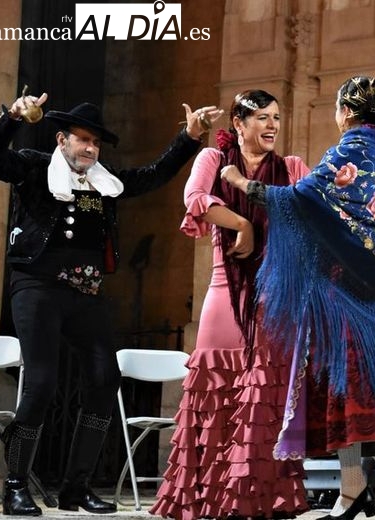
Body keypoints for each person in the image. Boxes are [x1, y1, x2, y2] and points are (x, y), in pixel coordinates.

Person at [222, 75, 375, 520]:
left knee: (349, 390)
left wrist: (242, 184)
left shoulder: (350, 149)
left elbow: (302, 200)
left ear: (346, 112)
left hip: (354, 298)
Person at [0, 91, 220, 516]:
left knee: (104, 380)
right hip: (36, 287)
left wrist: (189, 137)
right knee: (42, 384)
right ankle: (15, 486)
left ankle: (76, 487)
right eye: (81, 139)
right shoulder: (35, 168)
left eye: (95, 142)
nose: (89, 148)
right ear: (61, 141)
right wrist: (12, 116)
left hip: (85, 293)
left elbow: (152, 175)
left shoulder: (104, 183)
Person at [150, 90, 310, 520]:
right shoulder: (213, 160)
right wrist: (242, 223)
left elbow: (310, 215)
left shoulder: (292, 168)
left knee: (263, 395)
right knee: (214, 392)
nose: (272, 125)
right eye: (261, 117)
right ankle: (208, 497)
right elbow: (195, 199)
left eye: (276, 117)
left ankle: (258, 499)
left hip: (276, 295)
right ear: (239, 124)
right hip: (225, 290)